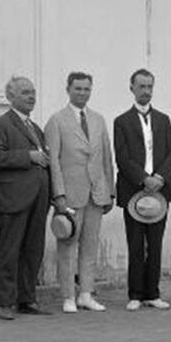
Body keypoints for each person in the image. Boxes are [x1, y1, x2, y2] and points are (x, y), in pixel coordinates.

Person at [44, 72, 115, 314]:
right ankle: (68, 296)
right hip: (71, 194)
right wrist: (59, 195)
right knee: (67, 246)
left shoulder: (98, 120)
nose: (82, 93)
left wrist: (110, 192)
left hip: (96, 193)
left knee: (90, 247)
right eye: (78, 89)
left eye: (86, 89)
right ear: (68, 89)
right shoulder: (57, 120)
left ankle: (85, 293)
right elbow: (53, 161)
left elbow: (106, 157)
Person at [0, 76, 52, 320]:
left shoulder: (36, 129)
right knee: (10, 250)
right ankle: (5, 302)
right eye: (25, 92)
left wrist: (53, 196)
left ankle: (27, 299)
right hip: (13, 197)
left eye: (33, 92)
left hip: (38, 199)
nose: (31, 96)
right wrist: (28, 156)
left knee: (33, 250)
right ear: (10, 96)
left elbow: (47, 164)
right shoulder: (0, 124)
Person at [114, 69, 171, 311]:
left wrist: (160, 177)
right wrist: (143, 179)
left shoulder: (163, 119)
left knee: (156, 242)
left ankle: (153, 292)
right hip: (134, 190)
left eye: (150, 86)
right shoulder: (122, 121)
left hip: (160, 190)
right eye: (141, 86)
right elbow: (122, 156)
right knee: (136, 243)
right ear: (132, 88)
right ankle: (135, 293)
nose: (146, 91)